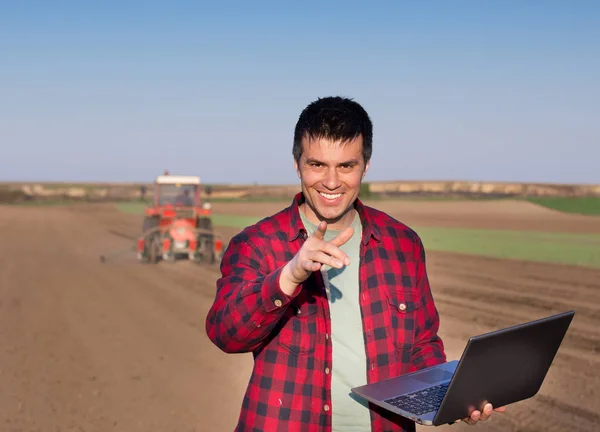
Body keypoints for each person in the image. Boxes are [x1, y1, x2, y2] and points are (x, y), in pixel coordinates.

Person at [205, 96, 505, 431]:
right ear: (296, 163)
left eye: (346, 166)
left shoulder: (402, 244)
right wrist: (289, 276)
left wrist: (451, 395)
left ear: (366, 165)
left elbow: (421, 342)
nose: (331, 182)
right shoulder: (258, 242)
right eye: (317, 164)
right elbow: (225, 334)